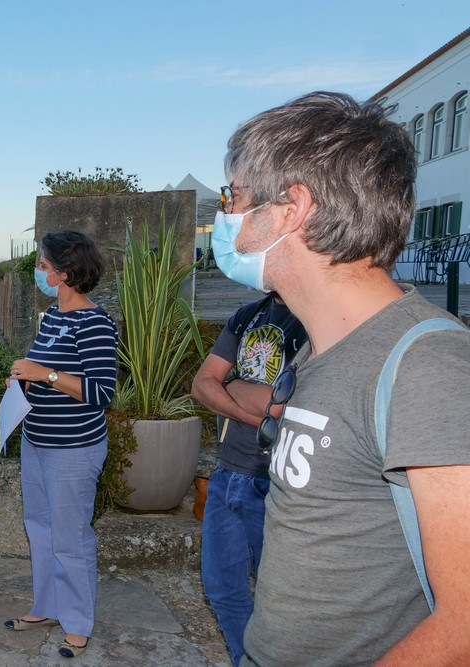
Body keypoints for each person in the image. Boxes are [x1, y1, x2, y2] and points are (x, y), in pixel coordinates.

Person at [216, 92, 470, 665]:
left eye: (235, 197)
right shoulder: (317, 350)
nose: (227, 217)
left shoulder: (428, 365)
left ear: (292, 209)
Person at [3, 230, 119, 660]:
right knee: (40, 528)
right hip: (37, 441)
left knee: (70, 538)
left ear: (65, 273)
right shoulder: (53, 315)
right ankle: (47, 607)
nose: (38, 270)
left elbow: (101, 391)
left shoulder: (95, 323)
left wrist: (44, 375)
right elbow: (44, 369)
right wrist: (23, 380)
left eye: (43, 265)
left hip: (73, 450)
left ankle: (77, 623)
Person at [191, 293, 307, 665]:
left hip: (277, 482)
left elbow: (293, 405)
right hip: (228, 473)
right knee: (222, 590)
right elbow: (202, 384)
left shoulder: (314, 317)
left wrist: (233, 385)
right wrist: (256, 417)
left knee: (283, 601)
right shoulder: (249, 314)